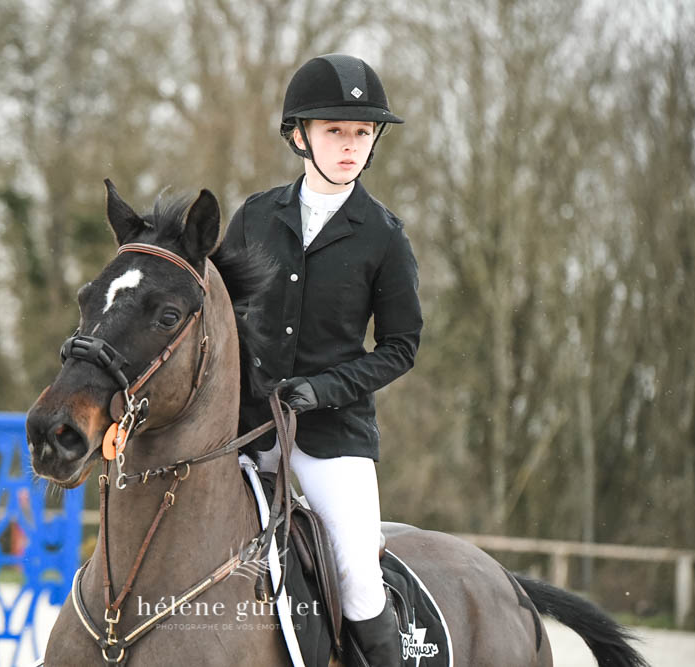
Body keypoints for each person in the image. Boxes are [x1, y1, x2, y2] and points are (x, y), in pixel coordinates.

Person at [222, 54, 422, 666]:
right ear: (299, 135)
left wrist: (324, 389)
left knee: (358, 576)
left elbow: (400, 347)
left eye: (362, 133)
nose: (351, 146)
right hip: (245, 426)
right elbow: (221, 318)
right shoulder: (257, 216)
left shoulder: (383, 236)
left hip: (333, 435)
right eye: (335, 131)